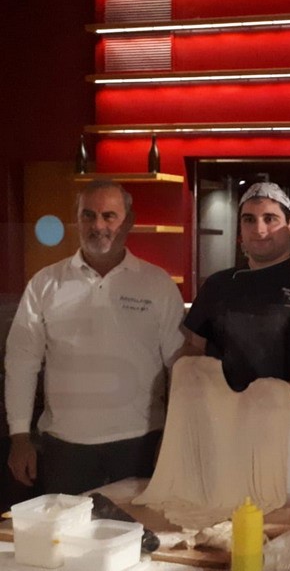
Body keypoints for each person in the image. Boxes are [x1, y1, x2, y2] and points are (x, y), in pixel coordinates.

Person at [5, 181, 185, 494]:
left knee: (141, 527)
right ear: (76, 220)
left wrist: (176, 438)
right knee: (66, 527)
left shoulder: (157, 285)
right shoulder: (45, 283)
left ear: (129, 221)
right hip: (64, 449)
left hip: (142, 445)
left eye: (109, 216)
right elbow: (21, 362)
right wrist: (19, 437)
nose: (98, 225)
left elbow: (181, 369)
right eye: (88, 215)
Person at [184, 182, 290, 496]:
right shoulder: (218, 285)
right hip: (224, 418)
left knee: (288, 512)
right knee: (222, 511)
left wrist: (282, 394)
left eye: (270, 219)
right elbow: (192, 350)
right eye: (249, 219)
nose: (259, 229)